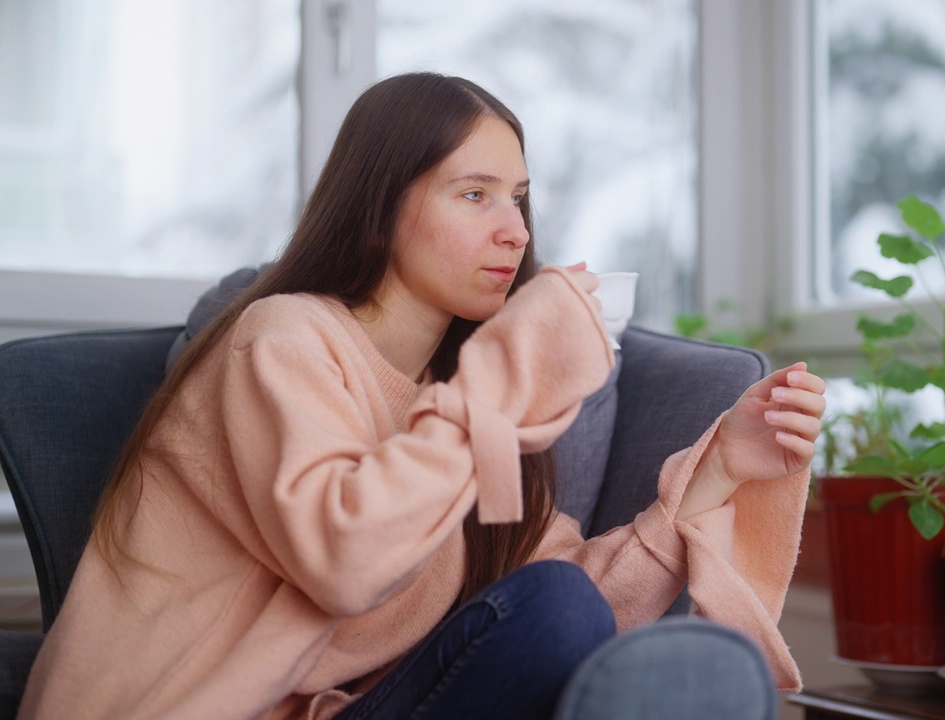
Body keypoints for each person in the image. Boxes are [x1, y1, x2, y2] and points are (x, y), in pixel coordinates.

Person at [17, 72, 825, 720]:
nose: (515, 230)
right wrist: (511, 371)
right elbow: (344, 560)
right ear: (380, 206)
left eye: (518, 198)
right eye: (474, 194)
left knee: (577, 610)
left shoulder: (461, 396)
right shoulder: (284, 336)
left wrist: (721, 467)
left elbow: (584, 608)